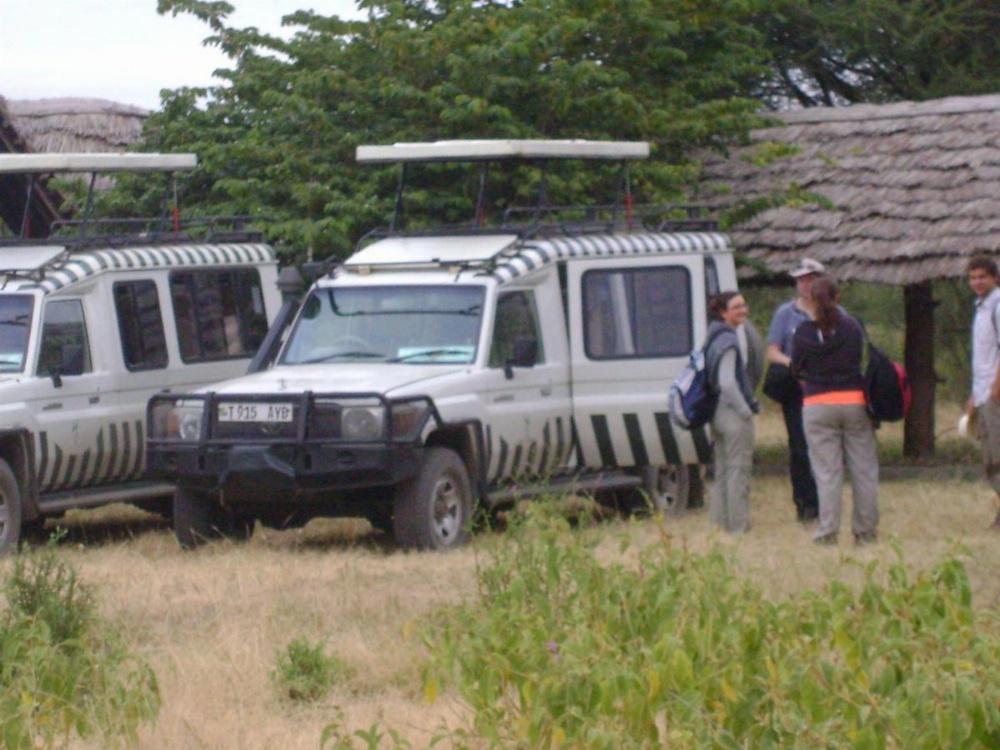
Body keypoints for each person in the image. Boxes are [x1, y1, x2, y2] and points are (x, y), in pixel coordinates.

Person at [791, 275, 879, 546]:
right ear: (838, 298)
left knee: (827, 472)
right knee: (863, 470)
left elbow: (796, 369)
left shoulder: (804, 332)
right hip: (853, 401)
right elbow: (861, 361)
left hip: (817, 404)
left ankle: (828, 531)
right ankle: (865, 533)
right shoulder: (853, 327)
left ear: (811, 301)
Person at [766, 258, 823, 522]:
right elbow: (773, 352)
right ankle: (805, 503)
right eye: (801, 279)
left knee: (824, 447)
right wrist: (794, 364)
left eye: (811, 278)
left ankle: (826, 501)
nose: (806, 284)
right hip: (796, 390)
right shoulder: (785, 313)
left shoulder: (835, 312)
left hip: (824, 389)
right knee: (799, 447)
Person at [705, 292, 759, 534]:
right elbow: (727, 381)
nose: (743, 310)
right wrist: (745, 410)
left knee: (723, 472)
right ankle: (738, 527)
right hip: (732, 414)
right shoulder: (728, 341)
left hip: (716, 412)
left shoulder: (711, 337)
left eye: (744, 305)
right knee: (739, 471)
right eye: (737, 307)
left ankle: (718, 526)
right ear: (723, 312)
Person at [964, 255, 1000, 530]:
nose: (977, 282)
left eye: (982, 277)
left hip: (997, 392)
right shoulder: (981, 308)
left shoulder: (998, 305)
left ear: (994, 278)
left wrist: (997, 385)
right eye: (973, 277)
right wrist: (975, 394)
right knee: (989, 457)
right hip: (984, 391)